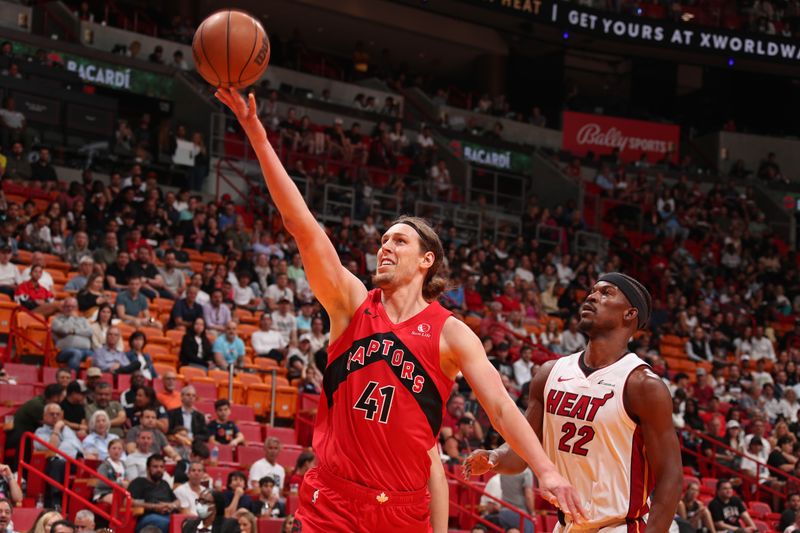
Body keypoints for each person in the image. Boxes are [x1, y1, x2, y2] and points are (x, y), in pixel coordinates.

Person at [217, 87, 582, 532]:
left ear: (427, 260)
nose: (385, 247)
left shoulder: (451, 333)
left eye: (400, 240)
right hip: (330, 501)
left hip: (402, 511)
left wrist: (544, 470)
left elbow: (502, 409)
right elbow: (302, 226)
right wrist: (255, 130)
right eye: (383, 240)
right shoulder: (350, 304)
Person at [465, 273, 681, 532]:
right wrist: (494, 457)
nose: (591, 296)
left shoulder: (642, 385)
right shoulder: (549, 373)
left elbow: (671, 476)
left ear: (629, 313)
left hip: (618, 526)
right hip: (567, 525)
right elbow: (523, 451)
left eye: (606, 293)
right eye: (592, 290)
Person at [128, 455, 180, 533]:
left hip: (169, 515)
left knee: (187, 523)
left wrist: (171, 505)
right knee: (168, 524)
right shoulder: (139, 482)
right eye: (155, 467)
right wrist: (155, 507)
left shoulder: (164, 484)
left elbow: (177, 501)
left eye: (161, 467)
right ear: (148, 469)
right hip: (149, 518)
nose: (159, 469)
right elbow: (130, 501)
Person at [51, 298, 94, 371]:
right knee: (76, 353)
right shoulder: (57, 320)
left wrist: (74, 331)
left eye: (73, 307)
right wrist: (71, 318)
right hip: (63, 351)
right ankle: (72, 377)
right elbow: (64, 330)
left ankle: (91, 380)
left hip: (84, 350)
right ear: (63, 308)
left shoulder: (83, 320)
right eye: (68, 306)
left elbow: (90, 332)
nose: (70, 309)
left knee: (97, 355)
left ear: (77, 308)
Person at [94, 438, 127, 504]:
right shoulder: (104, 465)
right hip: (104, 492)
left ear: (123, 451)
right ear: (108, 450)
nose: (116, 451)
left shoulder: (123, 464)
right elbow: (101, 482)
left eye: (119, 449)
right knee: (116, 499)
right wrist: (120, 484)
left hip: (119, 492)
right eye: (114, 448)